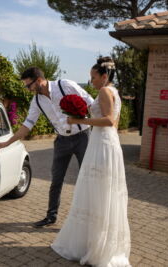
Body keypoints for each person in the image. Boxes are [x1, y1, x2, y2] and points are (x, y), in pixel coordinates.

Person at [51, 57, 131, 266]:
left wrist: (79, 120)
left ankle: (96, 246)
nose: (91, 81)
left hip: (103, 143)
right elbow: (116, 121)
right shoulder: (114, 92)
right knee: (102, 192)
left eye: (93, 77)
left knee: (97, 190)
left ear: (104, 76)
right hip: (107, 141)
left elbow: (109, 120)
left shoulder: (105, 91)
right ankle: (96, 242)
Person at [0, 67, 94, 227]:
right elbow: (27, 125)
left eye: (29, 85)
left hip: (83, 137)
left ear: (39, 80)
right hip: (62, 141)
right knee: (56, 180)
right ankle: (51, 216)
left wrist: (95, 123)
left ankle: (89, 219)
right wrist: (7, 143)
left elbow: (91, 104)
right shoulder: (37, 101)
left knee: (87, 179)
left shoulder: (65, 85)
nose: (28, 89)